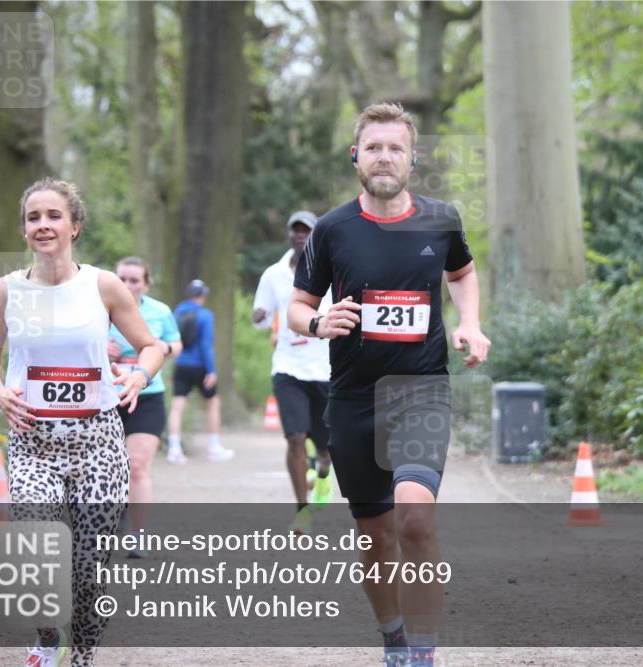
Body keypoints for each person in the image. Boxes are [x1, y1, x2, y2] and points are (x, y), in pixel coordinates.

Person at [288, 103, 490, 667]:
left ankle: (422, 653)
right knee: (375, 536)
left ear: (412, 158)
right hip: (354, 398)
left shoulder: (441, 219)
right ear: (356, 156)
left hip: (420, 389)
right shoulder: (332, 230)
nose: (384, 157)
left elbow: (462, 272)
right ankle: (394, 639)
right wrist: (317, 322)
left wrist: (470, 322)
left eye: (395, 148)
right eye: (373, 147)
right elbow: (299, 305)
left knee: (415, 519)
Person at [0, 177, 164, 667]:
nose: (43, 225)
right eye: (33, 217)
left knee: (88, 572)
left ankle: (82, 657)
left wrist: (139, 375)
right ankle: (47, 638)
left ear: (74, 226)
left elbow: (152, 345)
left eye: (53, 216)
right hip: (33, 443)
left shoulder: (103, 285)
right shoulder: (5, 291)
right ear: (24, 229)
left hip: (97, 444)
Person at [252, 210, 335, 534]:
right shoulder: (273, 274)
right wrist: (260, 315)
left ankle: (324, 470)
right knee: (295, 438)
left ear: (316, 235)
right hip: (288, 367)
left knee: (326, 445)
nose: (300, 236)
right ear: (289, 235)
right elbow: (260, 321)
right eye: (295, 231)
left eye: (306, 231)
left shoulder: (331, 268)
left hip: (326, 369)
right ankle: (302, 510)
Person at [107, 257, 182, 557]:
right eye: (122, 279)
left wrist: (162, 348)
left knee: (137, 465)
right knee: (110, 469)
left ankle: (138, 536)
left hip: (147, 395)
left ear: (146, 284)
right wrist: (101, 348)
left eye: (134, 280)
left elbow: (177, 345)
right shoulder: (99, 309)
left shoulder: (160, 311)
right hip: (106, 397)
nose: (127, 285)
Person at [166, 279, 234, 462]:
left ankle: (174, 448)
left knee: (177, 405)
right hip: (200, 366)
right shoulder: (206, 315)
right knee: (213, 403)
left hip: (181, 364)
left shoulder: (177, 312)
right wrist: (211, 370)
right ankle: (214, 447)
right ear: (201, 296)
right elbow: (205, 344)